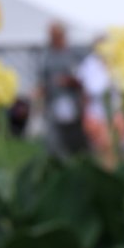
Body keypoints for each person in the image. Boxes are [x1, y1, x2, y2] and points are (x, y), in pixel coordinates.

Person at [38, 22, 87, 157]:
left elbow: (83, 79)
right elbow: (42, 78)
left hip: (72, 102)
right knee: (54, 137)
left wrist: (69, 81)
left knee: (73, 137)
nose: (53, 38)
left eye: (56, 35)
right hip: (53, 102)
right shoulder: (46, 55)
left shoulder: (74, 54)